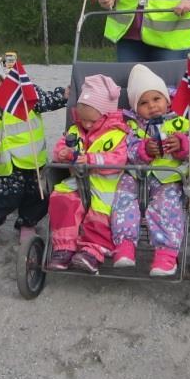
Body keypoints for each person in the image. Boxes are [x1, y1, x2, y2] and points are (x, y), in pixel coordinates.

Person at [0, 37, 67, 241]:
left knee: (39, 194)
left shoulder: (21, 91)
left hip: (33, 157)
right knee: (11, 193)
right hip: (5, 160)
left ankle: (27, 223)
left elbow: (44, 102)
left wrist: (63, 95)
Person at [111, 64, 190, 276]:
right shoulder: (131, 123)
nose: (152, 106)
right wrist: (143, 149)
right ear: (136, 107)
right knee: (122, 196)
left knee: (166, 204)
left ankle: (165, 255)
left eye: (156, 99)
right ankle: (125, 245)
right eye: (144, 103)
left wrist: (183, 146)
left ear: (167, 98)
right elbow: (126, 148)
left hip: (170, 176)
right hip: (137, 174)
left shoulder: (181, 119)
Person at [45, 74, 129, 273]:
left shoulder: (118, 134)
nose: (87, 125)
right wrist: (63, 154)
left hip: (106, 183)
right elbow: (59, 148)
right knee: (61, 199)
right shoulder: (76, 129)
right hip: (77, 181)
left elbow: (119, 159)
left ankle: (92, 252)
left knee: (100, 214)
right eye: (83, 119)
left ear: (106, 115)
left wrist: (92, 159)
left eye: (92, 121)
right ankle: (64, 247)